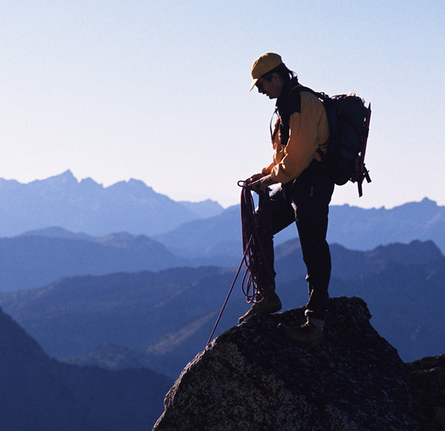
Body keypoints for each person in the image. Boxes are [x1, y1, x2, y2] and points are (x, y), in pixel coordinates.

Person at [238, 52, 335, 347]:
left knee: (312, 245)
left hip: (313, 183)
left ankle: (315, 323)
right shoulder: (285, 105)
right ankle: (268, 295)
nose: (262, 92)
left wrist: (269, 179)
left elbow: (298, 159)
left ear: (275, 77)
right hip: (296, 183)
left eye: (263, 85)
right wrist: (265, 174)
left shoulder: (302, 102)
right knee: (259, 223)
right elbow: (285, 157)